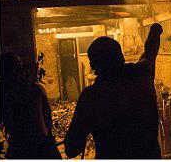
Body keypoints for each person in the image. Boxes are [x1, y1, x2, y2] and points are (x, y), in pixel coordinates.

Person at [65, 23, 163, 158]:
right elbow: (150, 51)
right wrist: (155, 32)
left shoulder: (91, 96)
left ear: (93, 66)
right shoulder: (143, 75)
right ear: (121, 57)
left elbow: (72, 148)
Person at [0, 53, 61, 159]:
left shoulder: (2, 93)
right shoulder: (35, 90)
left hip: (18, 148)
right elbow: (48, 123)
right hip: (41, 146)